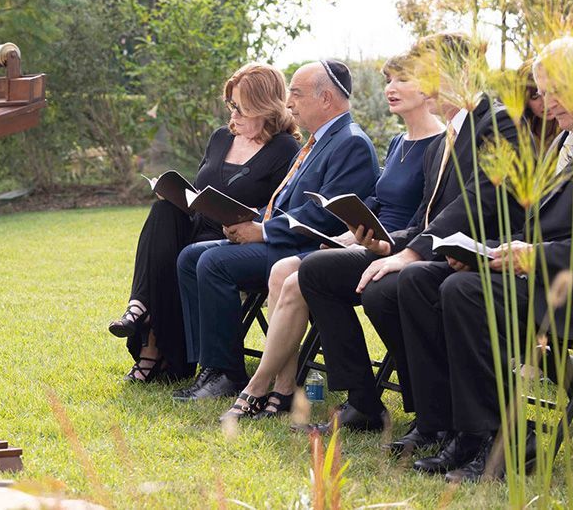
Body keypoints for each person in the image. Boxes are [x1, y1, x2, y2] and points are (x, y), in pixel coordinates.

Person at [297, 33, 523, 437]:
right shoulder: (443, 144)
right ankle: (364, 401)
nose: (421, 85)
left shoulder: (496, 122)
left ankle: (432, 413)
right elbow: (424, 217)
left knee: (389, 288)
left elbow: (479, 201)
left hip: (476, 254)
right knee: (317, 270)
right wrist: (388, 243)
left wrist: (409, 254)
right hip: (432, 250)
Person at [398, 36, 573, 482]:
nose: (545, 102)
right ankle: (455, 428)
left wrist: (533, 254)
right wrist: (490, 252)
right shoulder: (565, 141)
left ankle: (502, 440)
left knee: (463, 291)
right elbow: (541, 225)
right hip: (540, 273)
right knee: (421, 280)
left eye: (553, 90)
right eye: (542, 91)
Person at [220, 52, 443, 421]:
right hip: (365, 240)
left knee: (303, 277)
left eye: (401, 81)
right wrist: (348, 232)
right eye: (387, 81)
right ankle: (288, 389)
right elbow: (378, 200)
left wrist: (379, 242)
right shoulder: (398, 143)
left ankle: (258, 387)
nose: (390, 89)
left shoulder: (440, 144)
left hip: (395, 247)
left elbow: (426, 217)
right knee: (284, 273)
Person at [174, 60, 380, 401]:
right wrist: (248, 219)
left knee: (213, 262)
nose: (289, 104)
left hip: (306, 248)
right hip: (284, 239)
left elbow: (326, 215)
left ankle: (226, 373)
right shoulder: (320, 141)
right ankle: (208, 365)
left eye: (296, 94)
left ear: (326, 99)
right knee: (189, 257)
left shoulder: (351, 143)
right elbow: (284, 204)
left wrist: (263, 231)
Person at [108, 63, 300, 382]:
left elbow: (278, 207)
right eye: (231, 105)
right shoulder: (221, 138)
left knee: (174, 255)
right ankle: (141, 309)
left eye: (241, 108)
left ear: (265, 107)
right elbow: (200, 190)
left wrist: (250, 214)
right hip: (198, 224)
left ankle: (152, 348)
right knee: (163, 213)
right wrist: (174, 194)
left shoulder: (284, 148)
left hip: (234, 237)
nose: (233, 115)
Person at [523, 65, 560, 152]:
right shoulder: (519, 131)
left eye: (551, 91)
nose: (546, 103)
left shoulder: (571, 130)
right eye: (535, 96)